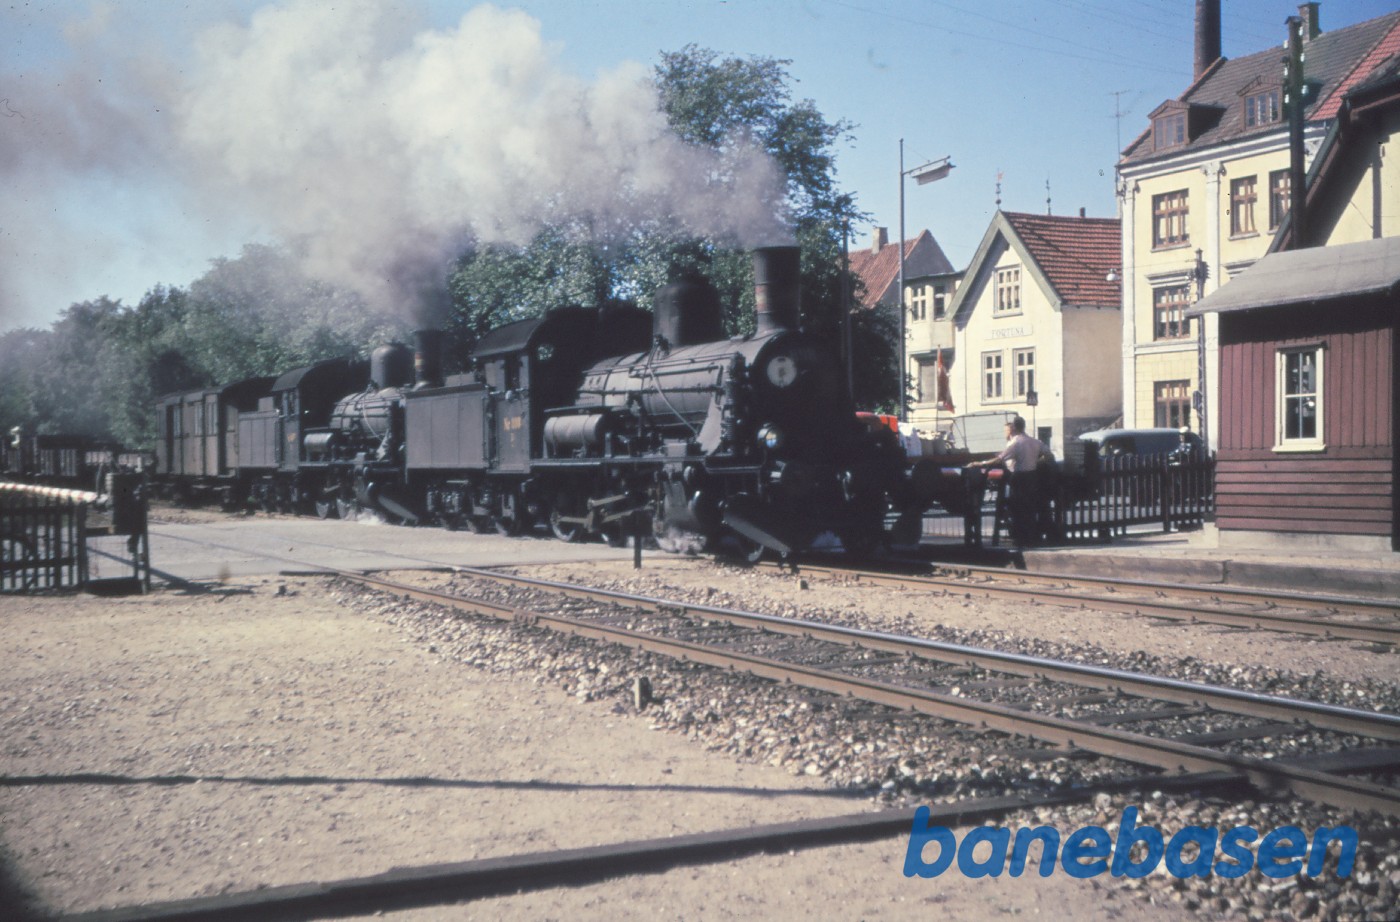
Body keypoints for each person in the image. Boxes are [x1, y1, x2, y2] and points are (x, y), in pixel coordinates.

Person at [969, 416, 1047, 547]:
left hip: (1019, 478)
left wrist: (979, 463)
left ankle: (1019, 537)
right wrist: (1036, 462)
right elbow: (1048, 455)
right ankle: (1031, 536)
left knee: (1017, 508)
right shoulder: (1036, 442)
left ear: (1014, 428)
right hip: (1032, 477)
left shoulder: (1016, 443)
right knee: (1030, 507)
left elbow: (999, 459)